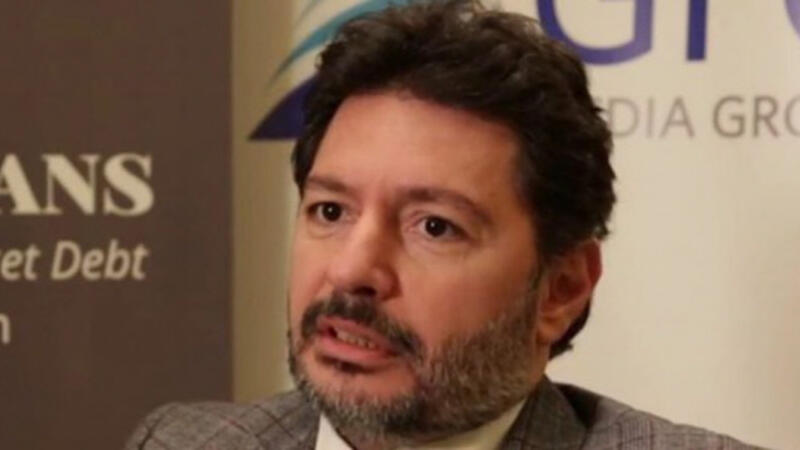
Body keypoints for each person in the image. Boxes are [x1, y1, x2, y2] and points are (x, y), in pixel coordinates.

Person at [126, 1, 761, 449]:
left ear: (561, 289)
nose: (351, 270)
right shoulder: (183, 442)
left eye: (434, 227)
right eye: (330, 211)